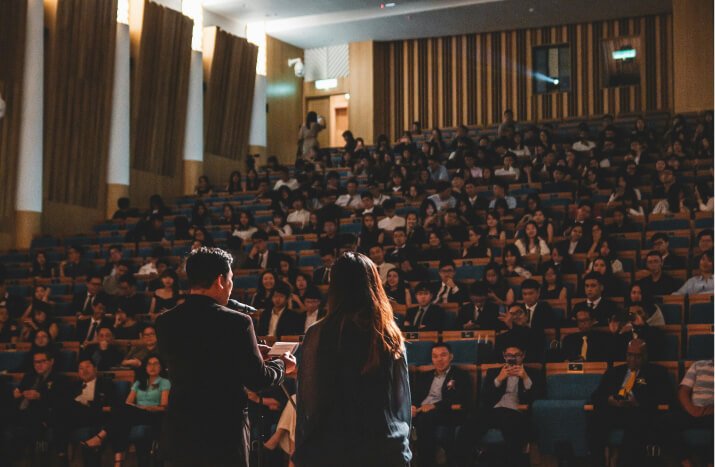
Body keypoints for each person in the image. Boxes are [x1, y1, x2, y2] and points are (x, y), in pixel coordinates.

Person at [156, 247, 295, 466]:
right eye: (231, 279)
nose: (231, 286)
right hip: (223, 429)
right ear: (221, 280)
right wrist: (281, 365)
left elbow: (197, 359)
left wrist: (246, 351)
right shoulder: (237, 322)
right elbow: (258, 379)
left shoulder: (165, 322)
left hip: (181, 427)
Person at [294, 252, 412, 467]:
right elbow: (400, 398)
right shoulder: (389, 332)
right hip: (383, 444)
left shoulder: (318, 333)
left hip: (332, 445)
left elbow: (308, 401)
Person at [455, 343, 544, 467]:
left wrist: (525, 379)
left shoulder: (533, 373)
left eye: (516, 355)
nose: (512, 358)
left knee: (512, 428)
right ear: (504, 356)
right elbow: (484, 398)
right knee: (468, 426)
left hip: (517, 413)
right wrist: (499, 379)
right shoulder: (494, 372)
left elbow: (538, 398)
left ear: (523, 356)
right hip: (493, 412)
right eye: (508, 355)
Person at [589, 339, 672, 467]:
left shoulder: (657, 372)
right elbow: (596, 395)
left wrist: (638, 402)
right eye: (629, 355)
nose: (632, 359)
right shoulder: (614, 372)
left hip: (638, 411)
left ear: (645, 356)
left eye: (637, 356)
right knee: (594, 419)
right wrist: (609, 399)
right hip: (614, 410)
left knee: (637, 422)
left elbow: (665, 397)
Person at [411, 343, 471, 467]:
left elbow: (460, 400)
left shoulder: (461, 375)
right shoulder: (424, 376)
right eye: (435, 356)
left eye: (443, 355)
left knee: (425, 418)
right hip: (422, 411)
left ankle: (426, 462)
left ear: (451, 357)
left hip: (446, 412)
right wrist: (412, 406)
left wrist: (434, 406)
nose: (439, 359)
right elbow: (416, 397)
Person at [109, 355, 169, 467]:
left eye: (156, 364)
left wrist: (146, 408)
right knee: (119, 409)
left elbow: (163, 406)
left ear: (160, 367)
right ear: (145, 367)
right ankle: (118, 461)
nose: (152, 367)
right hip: (137, 414)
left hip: (153, 414)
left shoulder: (164, 382)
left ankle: (117, 459)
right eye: (149, 364)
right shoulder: (138, 382)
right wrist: (138, 408)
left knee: (119, 416)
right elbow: (128, 403)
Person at [55, 358, 116, 467]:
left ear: (95, 369)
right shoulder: (73, 386)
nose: (84, 370)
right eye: (81, 368)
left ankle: (63, 454)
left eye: (88, 366)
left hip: (97, 418)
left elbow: (111, 407)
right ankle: (62, 455)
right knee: (61, 410)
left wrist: (91, 406)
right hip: (76, 419)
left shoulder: (106, 384)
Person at [664, 359, 714, 467]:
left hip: (712, 413)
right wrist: (691, 409)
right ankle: (686, 462)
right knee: (667, 420)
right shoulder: (698, 365)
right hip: (694, 411)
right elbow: (683, 391)